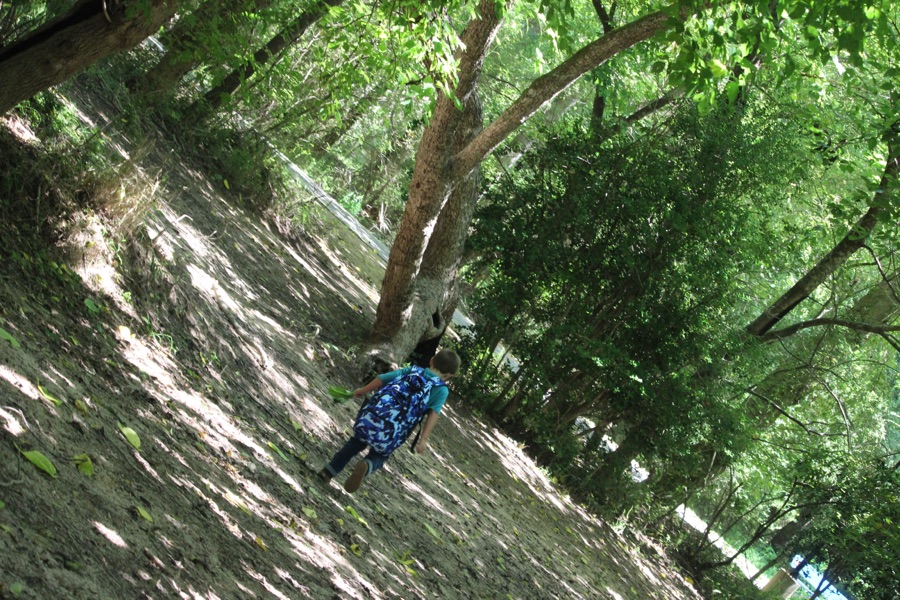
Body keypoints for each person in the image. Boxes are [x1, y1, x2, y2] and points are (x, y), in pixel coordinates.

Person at [318, 349, 461, 493]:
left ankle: (328, 472)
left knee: (355, 443)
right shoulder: (441, 390)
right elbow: (433, 414)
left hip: (375, 416)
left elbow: (383, 378)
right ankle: (367, 464)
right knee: (381, 455)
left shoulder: (413, 370)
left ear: (431, 361)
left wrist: (362, 390)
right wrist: (423, 440)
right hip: (396, 431)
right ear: (449, 376)